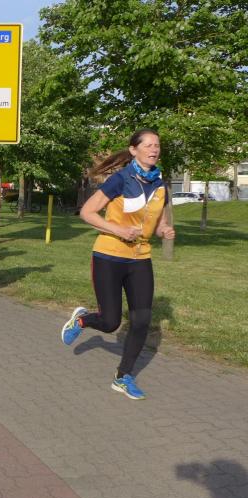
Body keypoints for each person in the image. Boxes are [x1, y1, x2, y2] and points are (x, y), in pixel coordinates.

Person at [61, 129, 175, 400]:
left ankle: (123, 376)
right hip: (109, 256)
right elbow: (87, 212)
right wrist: (118, 230)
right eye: (148, 145)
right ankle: (82, 320)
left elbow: (158, 222)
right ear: (134, 150)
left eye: (157, 145)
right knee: (110, 322)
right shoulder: (120, 179)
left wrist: (163, 230)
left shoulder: (160, 184)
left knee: (141, 320)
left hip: (140, 258)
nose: (154, 149)